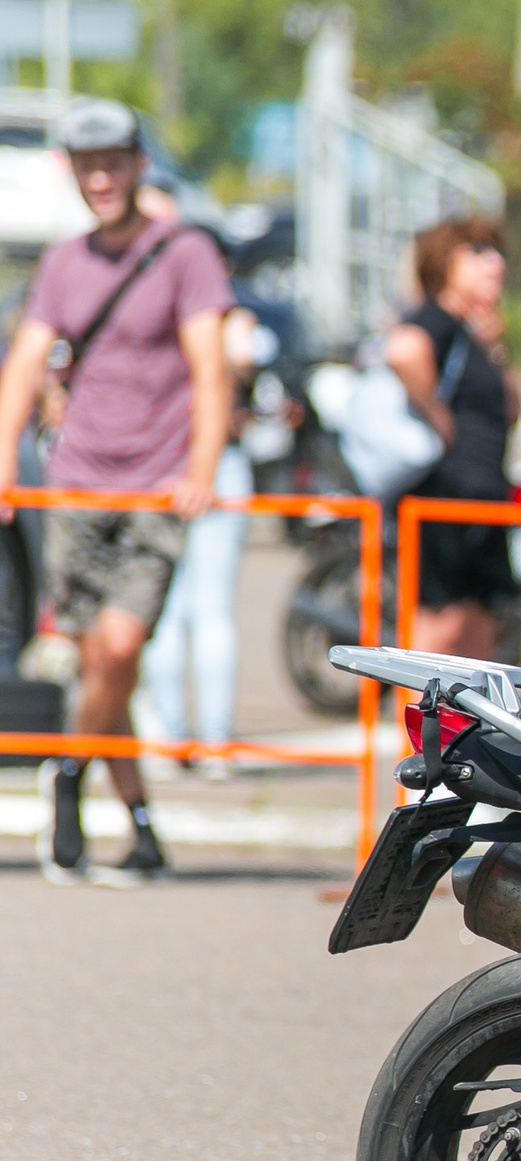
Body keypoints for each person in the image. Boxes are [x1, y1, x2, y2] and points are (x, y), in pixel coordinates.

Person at [0, 99, 231, 885]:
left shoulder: (185, 253)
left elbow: (212, 369)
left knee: (120, 647)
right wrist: (4, 462)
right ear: (73, 171)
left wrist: (201, 468)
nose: (101, 177)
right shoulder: (65, 262)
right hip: (77, 484)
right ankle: (140, 824)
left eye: (114, 161)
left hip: (156, 487)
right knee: (104, 661)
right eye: (87, 164)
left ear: (138, 164)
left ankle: (67, 774)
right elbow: (25, 364)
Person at [385, 216, 516, 660]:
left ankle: (466, 731)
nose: (493, 264)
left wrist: (495, 350)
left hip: (481, 498)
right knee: (439, 630)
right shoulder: (437, 318)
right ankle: (416, 729)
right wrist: (439, 418)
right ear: (443, 264)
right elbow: (402, 351)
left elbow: (510, 412)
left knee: (478, 629)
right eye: (477, 252)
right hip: (445, 499)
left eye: (495, 253)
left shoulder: (474, 333)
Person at [142, 304, 261, 777]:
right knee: (200, 612)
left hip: (168, 464)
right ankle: (210, 743)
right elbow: (244, 361)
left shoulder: (157, 315)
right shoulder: (227, 321)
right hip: (210, 464)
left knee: (170, 612)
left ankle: (182, 741)